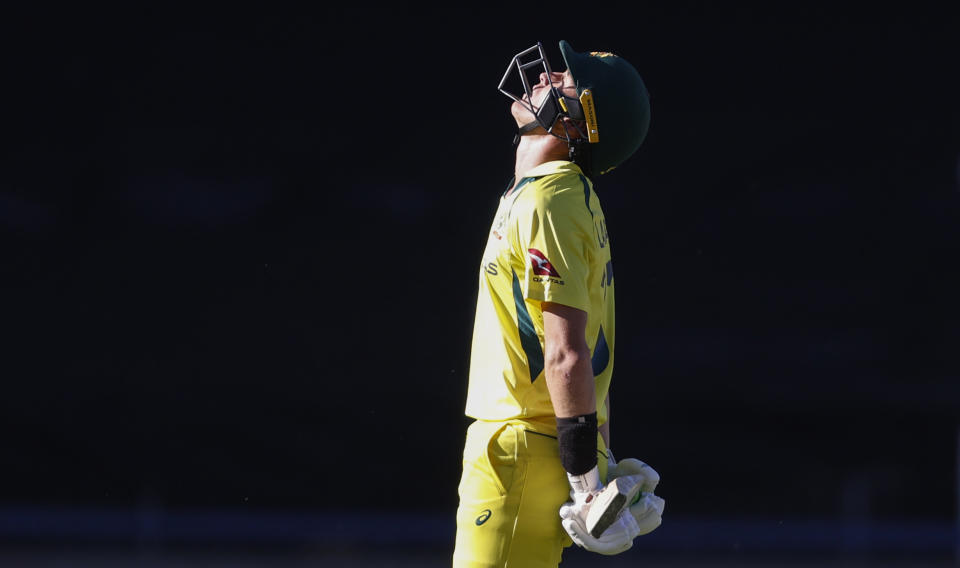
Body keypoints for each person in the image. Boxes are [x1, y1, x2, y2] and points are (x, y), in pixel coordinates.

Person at [451, 41, 666, 568]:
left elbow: (567, 353)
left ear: (581, 123)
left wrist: (587, 482)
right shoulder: (557, 194)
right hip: (536, 440)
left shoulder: (551, 198)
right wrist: (596, 456)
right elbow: (587, 349)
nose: (544, 78)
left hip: (523, 444)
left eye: (566, 83)